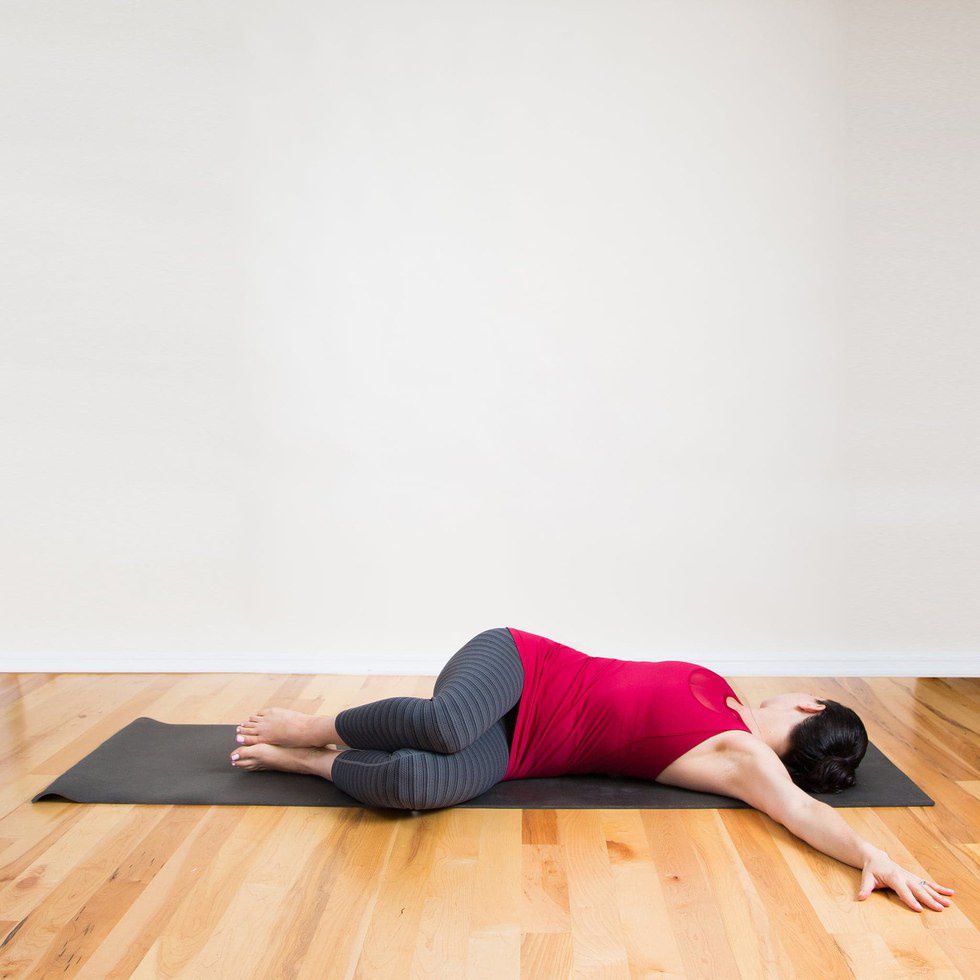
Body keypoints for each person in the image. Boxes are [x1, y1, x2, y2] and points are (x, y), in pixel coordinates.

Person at [228, 626, 955, 913]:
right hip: (519, 663)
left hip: (519, 750)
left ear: (810, 705)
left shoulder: (744, 756)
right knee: (446, 722)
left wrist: (876, 856)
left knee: (418, 783)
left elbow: (802, 812)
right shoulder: (722, 691)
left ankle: (315, 765)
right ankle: (315, 726)